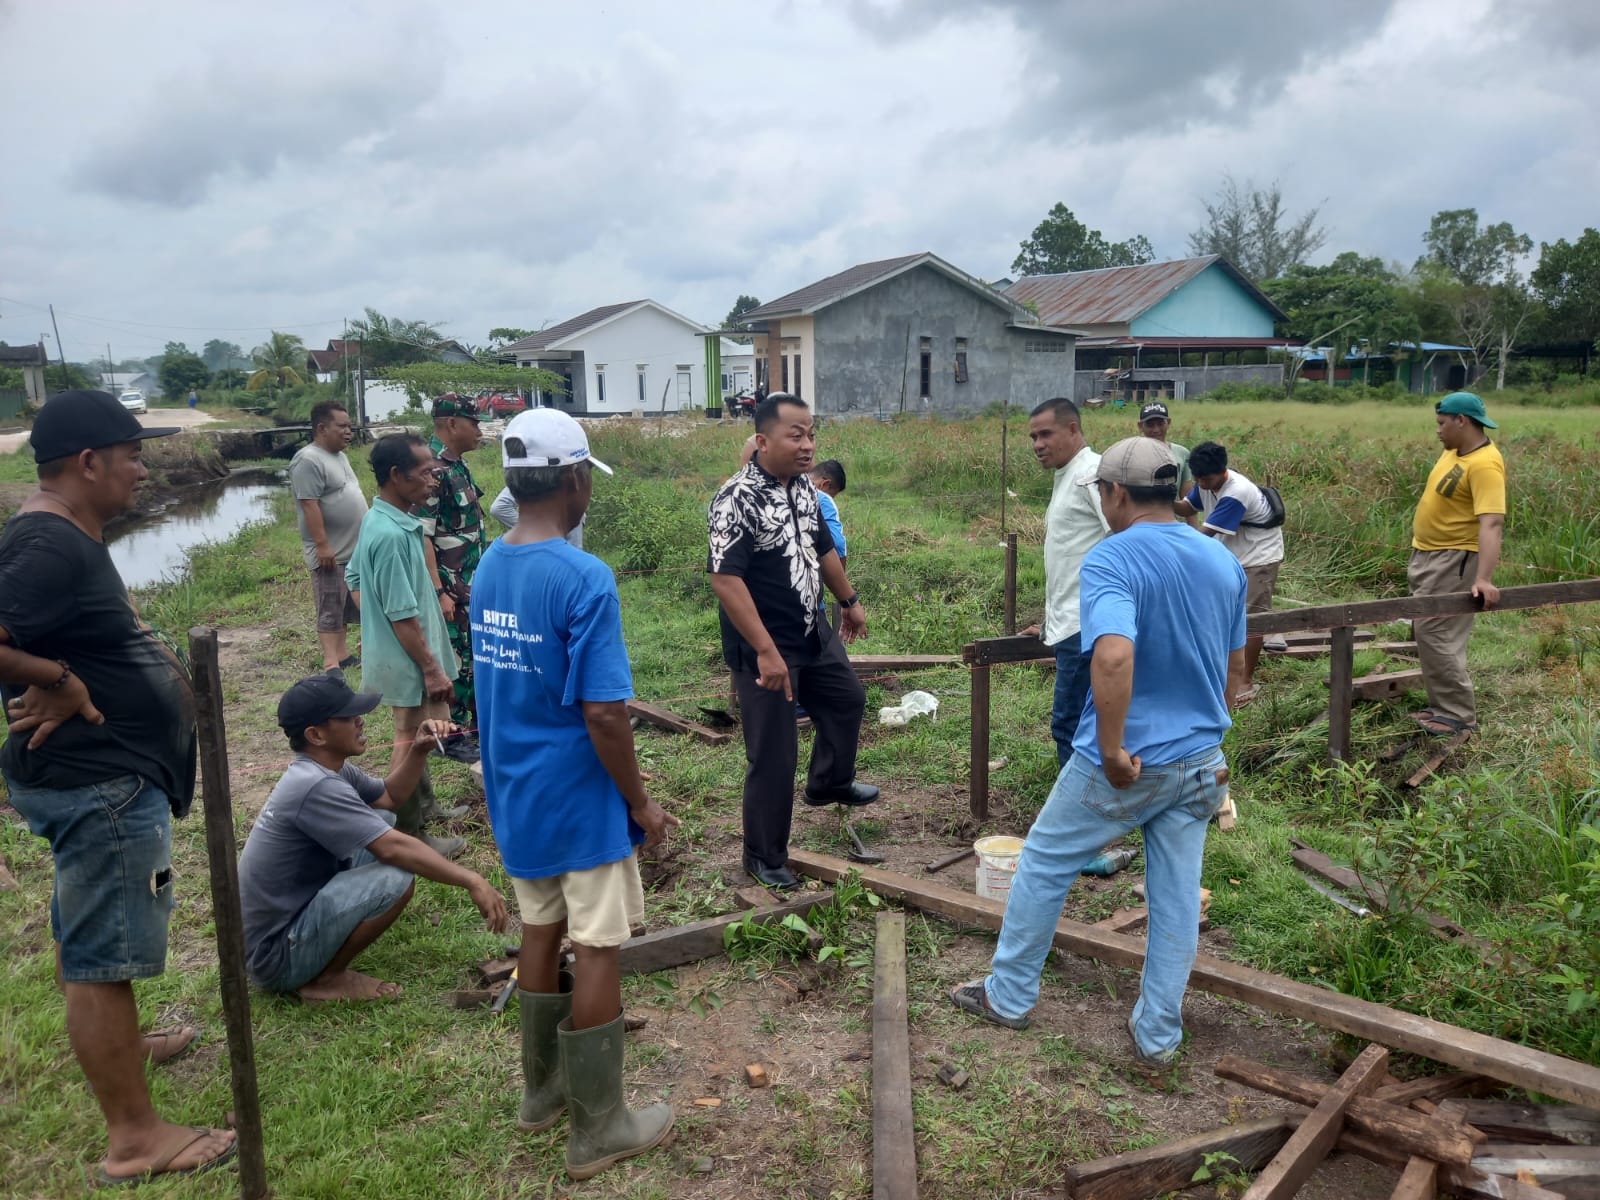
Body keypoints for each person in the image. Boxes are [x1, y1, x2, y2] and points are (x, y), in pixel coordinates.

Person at [0, 390, 236, 1185]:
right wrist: (59, 681)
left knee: (91, 936)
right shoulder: (46, 544)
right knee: (104, 956)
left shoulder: (65, 535)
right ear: (88, 462)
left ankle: (124, 1047)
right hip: (99, 781)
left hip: (103, 778)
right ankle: (135, 1138)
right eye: (133, 455)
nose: (145, 468)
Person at [948, 437, 1246, 1068]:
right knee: (1175, 894)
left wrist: (1113, 749)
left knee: (1045, 863)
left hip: (1128, 759)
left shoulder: (1113, 558)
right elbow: (1236, 666)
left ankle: (1008, 997)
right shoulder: (1223, 562)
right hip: (1200, 761)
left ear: (1113, 493)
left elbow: (1111, 655)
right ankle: (1158, 1035)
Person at [471, 408, 678, 1180]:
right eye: (589, 475)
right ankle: (600, 1127)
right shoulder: (584, 577)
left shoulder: (490, 566)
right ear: (574, 478)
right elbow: (602, 712)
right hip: (578, 796)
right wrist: (641, 804)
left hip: (515, 789)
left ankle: (542, 1092)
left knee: (539, 929)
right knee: (597, 946)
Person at [238, 673, 510, 1001]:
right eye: (348, 717)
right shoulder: (316, 785)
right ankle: (326, 979)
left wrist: (418, 749)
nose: (360, 721)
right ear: (316, 734)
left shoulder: (327, 768)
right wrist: (472, 880)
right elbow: (392, 848)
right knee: (395, 874)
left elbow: (389, 797)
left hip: (284, 927)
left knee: (381, 817)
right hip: (276, 957)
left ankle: (324, 953)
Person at [708, 393, 877, 891]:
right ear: (763, 441)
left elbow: (821, 545)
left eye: (811, 434)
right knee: (774, 753)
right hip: (765, 644)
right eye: (795, 435)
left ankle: (828, 783)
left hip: (811, 628)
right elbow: (725, 580)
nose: (807, 445)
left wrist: (848, 600)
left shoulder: (804, 488)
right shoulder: (735, 498)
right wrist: (764, 650)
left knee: (847, 698)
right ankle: (763, 856)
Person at [344, 434, 465, 858]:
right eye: (426, 473)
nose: (433, 481)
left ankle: (425, 805)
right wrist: (431, 668)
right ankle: (410, 833)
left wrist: (374, 621)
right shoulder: (391, 535)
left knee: (419, 735)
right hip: (411, 662)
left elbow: (355, 579)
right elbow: (401, 615)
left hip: (401, 655)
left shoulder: (384, 521)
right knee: (414, 738)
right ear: (396, 475)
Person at [1408, 392, 1505, 736]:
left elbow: (1491, 522)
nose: (1438, 431)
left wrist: (1484, 578)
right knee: (1430, 630)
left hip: (1455, 560)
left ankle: (1458, 714)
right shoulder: (1454, 452)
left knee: (1437, 632)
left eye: (1442, 423)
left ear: (1461, 420)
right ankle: (1442, 707)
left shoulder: (1485, 464)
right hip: (1430, 555)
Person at [1025, 398, 1109, 764]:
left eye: (1046, 434)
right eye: (1033, 437)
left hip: (1086, 624)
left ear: (1073, 429)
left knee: (1069, 725)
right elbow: (1073, 557)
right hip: (1071, 622)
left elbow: (1122, 537)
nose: (1038, 444)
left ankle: (1079, 814)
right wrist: (1049, 623)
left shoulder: (1092, 472)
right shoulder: (1070, 474)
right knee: (1080, 723)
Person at [1176, 441, 1285, 702]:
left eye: (1207, 479)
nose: (1201, 484)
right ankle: (1226, 672)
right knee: (1227, 614)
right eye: (1198, 479)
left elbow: (1205, 535)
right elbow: (1185, 508)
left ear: (1222, 471)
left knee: (1252, 619)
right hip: (1232, 556)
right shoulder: (1205, 484)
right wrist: (1158, 499)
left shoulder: (1237, 491)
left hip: (1259, 558)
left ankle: (1245, 681)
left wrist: (1174, 550)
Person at [418, 395, 486, 761]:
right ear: (452, 424)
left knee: (471, 658)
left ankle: (472, 728)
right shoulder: (431, 468)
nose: (479, 429)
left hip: (469, 583)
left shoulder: (455, 464)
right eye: (473, 422)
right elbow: (423, 534)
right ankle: (453, 735)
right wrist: (439, 590)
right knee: (456, 661)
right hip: (451, 585)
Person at [290, 400, 367, 671]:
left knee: (348, 604)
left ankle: (344, 654)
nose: (349, 431)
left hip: (352, 548)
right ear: (322, 428)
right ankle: (331, 661)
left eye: (350, 426)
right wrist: (322, 545)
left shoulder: (340, 455)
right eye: (342, 426)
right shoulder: (308, 459)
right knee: (330, 604)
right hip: (330, 550)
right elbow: (309, 504)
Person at [1136, 401, 1193, 498]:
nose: (1156, 430)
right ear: (1140, 426)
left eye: (1160, 424)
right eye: (1150, 425)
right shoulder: (1132, 454)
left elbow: (1187, 499)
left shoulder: (1182, 453)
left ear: (1169, 422)